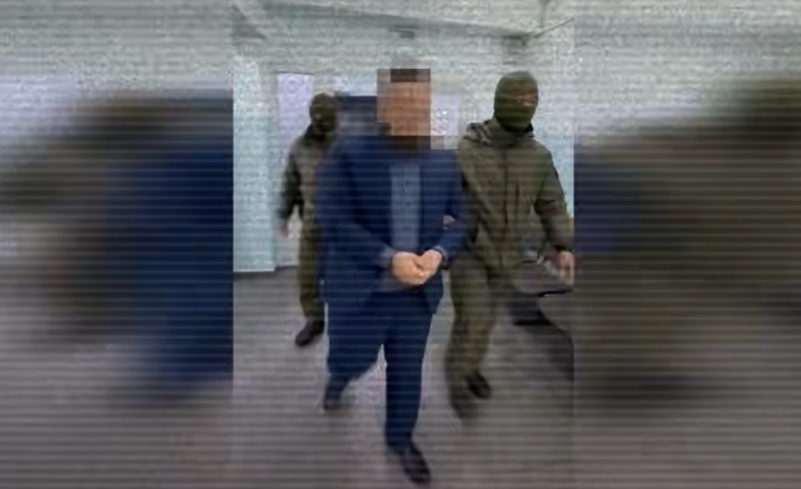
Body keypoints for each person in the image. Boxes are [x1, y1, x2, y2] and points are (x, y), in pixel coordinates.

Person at [314, 66, 465, 486]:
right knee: (352, 356)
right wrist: (388, 257)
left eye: (421, 101)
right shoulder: (347, 154)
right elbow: (334, 219)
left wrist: (438, 252)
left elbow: (462, 219)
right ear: (384, 107)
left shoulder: (443, 160)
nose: (414, 110)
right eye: (403, 101)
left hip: (416, 296)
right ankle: (339, 376)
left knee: (407, 371)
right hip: (362, 290)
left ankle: (400, 440)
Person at [446, 71, 575, 417]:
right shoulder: (467, 149)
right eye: (517, 99)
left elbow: (551, 202)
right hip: (471, 253)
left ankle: (471, 368)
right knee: (472, 318)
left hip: (508, 255)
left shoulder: (538, 157)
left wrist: (563, 245)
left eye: (530, 100)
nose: (524, 105)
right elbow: (442, 196)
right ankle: (456, 379)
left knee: (487, 320)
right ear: (500, 100)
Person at [277, 93, 338, 347]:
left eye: (328, 119)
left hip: (345, 227)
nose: (324, 124)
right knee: (307, 276)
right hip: (313, 224)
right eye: (319, 119)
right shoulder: (299, 148)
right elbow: (290, 183)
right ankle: (314, 319)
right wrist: (283, 214)